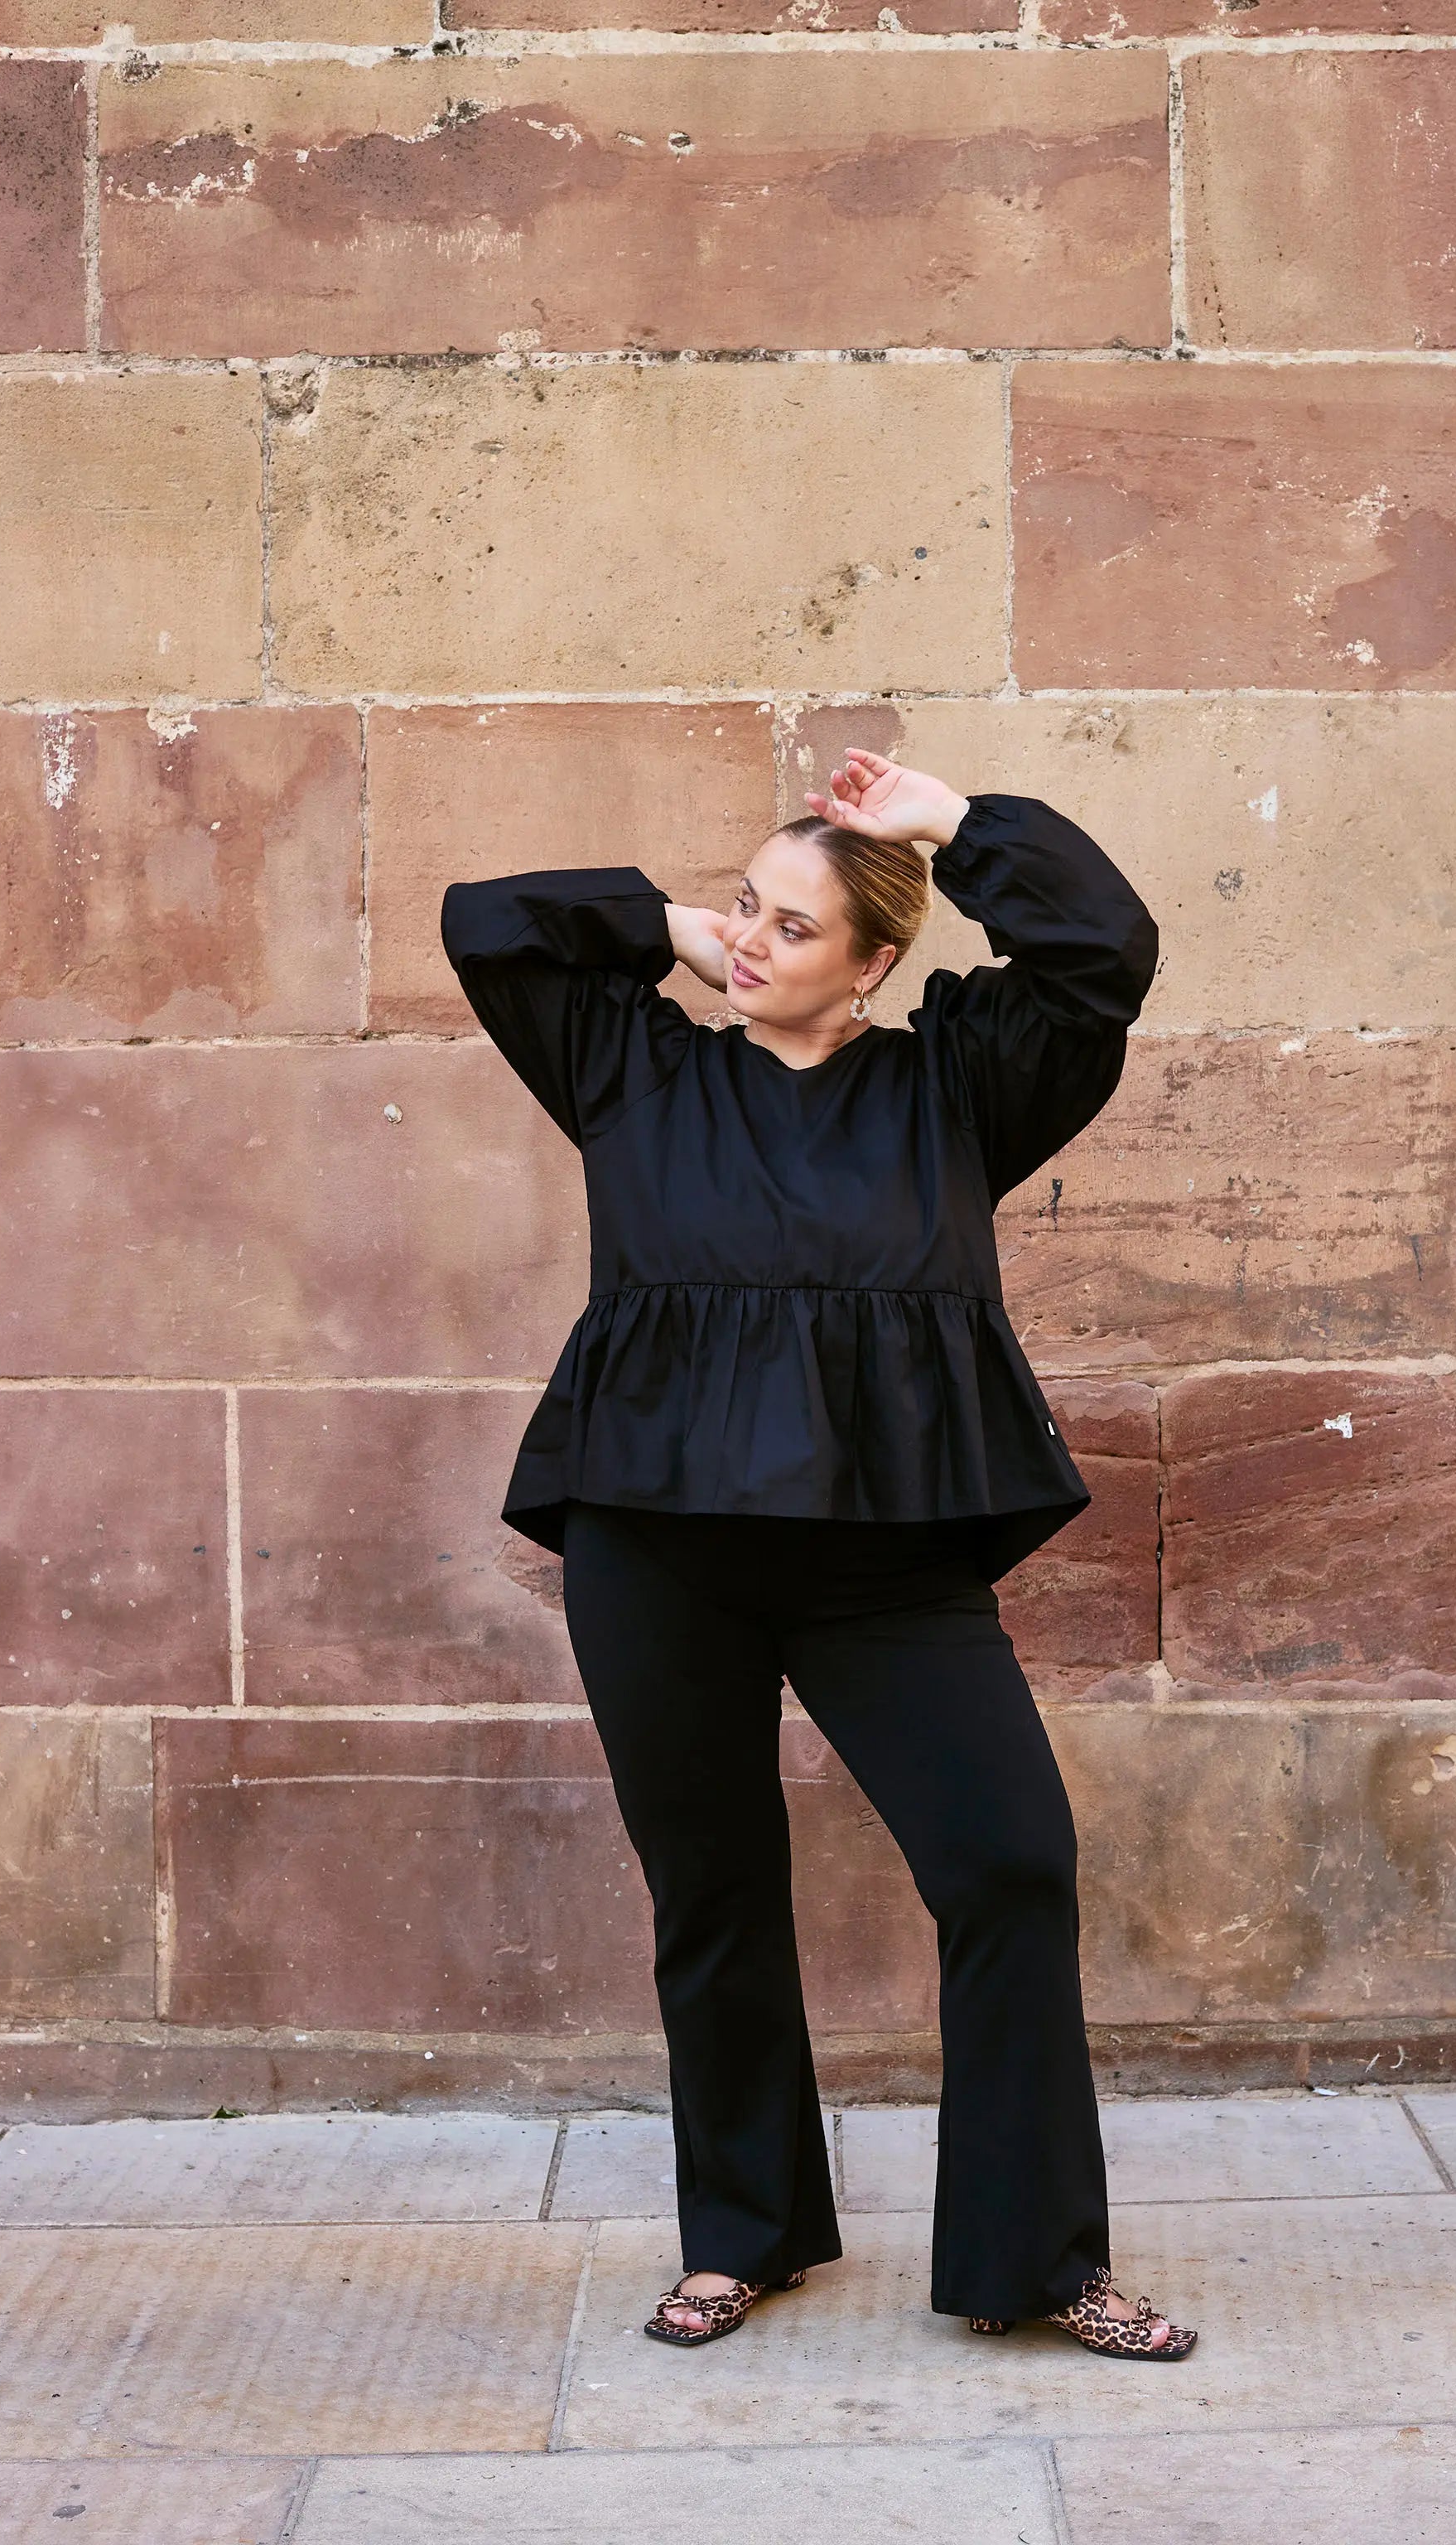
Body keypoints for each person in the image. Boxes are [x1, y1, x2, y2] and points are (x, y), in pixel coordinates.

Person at [441, 748, 1195, 2361]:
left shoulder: (957, 1088)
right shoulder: (633, 1068)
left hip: (887, 1568)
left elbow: (1102, 952)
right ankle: (746, 2234)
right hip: (659, 1549)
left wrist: (949, 823)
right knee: (712, 1891)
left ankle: (1037, 2258)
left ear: (874, 963)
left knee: (1009, 1866)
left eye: (795, 926)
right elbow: (485, 922)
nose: (755, 942)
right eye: (747, 909)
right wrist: (665, 925)